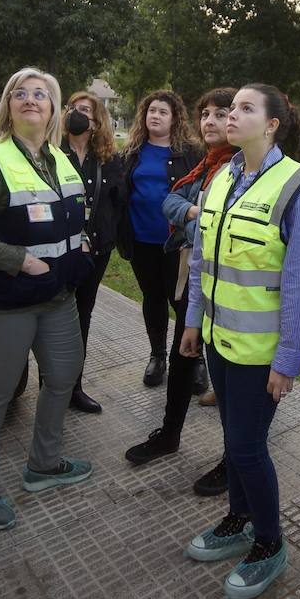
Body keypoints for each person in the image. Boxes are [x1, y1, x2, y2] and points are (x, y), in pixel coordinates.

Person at [180, 84, 300, 599]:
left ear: (272, 124)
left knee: (245, 446)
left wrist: (288, 359)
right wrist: (194, 321)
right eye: (228, 108)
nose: (229, 115)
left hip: (261, 354)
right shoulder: (222, 176)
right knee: (234, 442)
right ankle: (240, 519)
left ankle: (269, 541)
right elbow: (201, 259)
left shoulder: (298, 189)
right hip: (221, 343)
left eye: (244, 108)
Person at [0, 68, 95, 532]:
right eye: (20, 93)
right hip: (6, 303)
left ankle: (44, 464)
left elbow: (69, 213)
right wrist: (19, 259)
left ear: (55, 108)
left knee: (61, 377)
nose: (30, 99)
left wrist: (81, 241)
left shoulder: (58, 158)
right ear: (8, 105)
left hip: (58, 297)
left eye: (41, 94)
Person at [125, 87, 237, 497]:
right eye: (205, 113)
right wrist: (195, 216)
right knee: (182, 351)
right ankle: (170, 434)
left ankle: (235, 458)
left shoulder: (245, 170)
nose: (210, 120)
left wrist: (196, 220)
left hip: (235, 293)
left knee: (228, 373)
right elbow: (172, 200)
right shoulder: (207, 166)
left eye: (222, 113)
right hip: (196, 279)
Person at [118, 90, 202, 387]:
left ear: (175, 118)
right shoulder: (131, 153)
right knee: (152, 299)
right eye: (151, 111)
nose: (155, 116)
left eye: (162, 112)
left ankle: (194, 360)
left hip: (177, 244)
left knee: (182, 301)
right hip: (141, 242)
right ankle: (157, 356)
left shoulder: (191, 153)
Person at [59, 90, 124, 413]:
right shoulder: (51, 153)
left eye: (85, 110)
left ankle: (75, 386)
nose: (77, 113)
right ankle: (52, 386)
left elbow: (117, 204)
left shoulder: (108, 160)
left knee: (82, 316)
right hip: (57, 251)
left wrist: (107, 240)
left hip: (95, 252)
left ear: (97, 122)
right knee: (54, 317)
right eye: (73, 108)